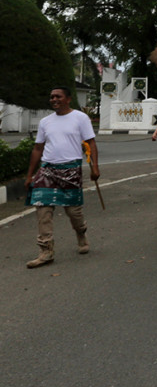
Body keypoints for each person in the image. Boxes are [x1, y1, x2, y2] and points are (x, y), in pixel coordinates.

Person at [23, 86, 100, 268]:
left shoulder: (80, 118)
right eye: (51, 97)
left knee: (73, 211)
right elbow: (38, 148)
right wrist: (30, 175)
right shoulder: (45, 122)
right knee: (42, 208)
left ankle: (81, 233)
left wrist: (95, 167)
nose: (54, 99)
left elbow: (91, 143)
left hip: (70, 170)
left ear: (68, 99)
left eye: (58, 96)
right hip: (47, 169)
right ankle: (46, 251)